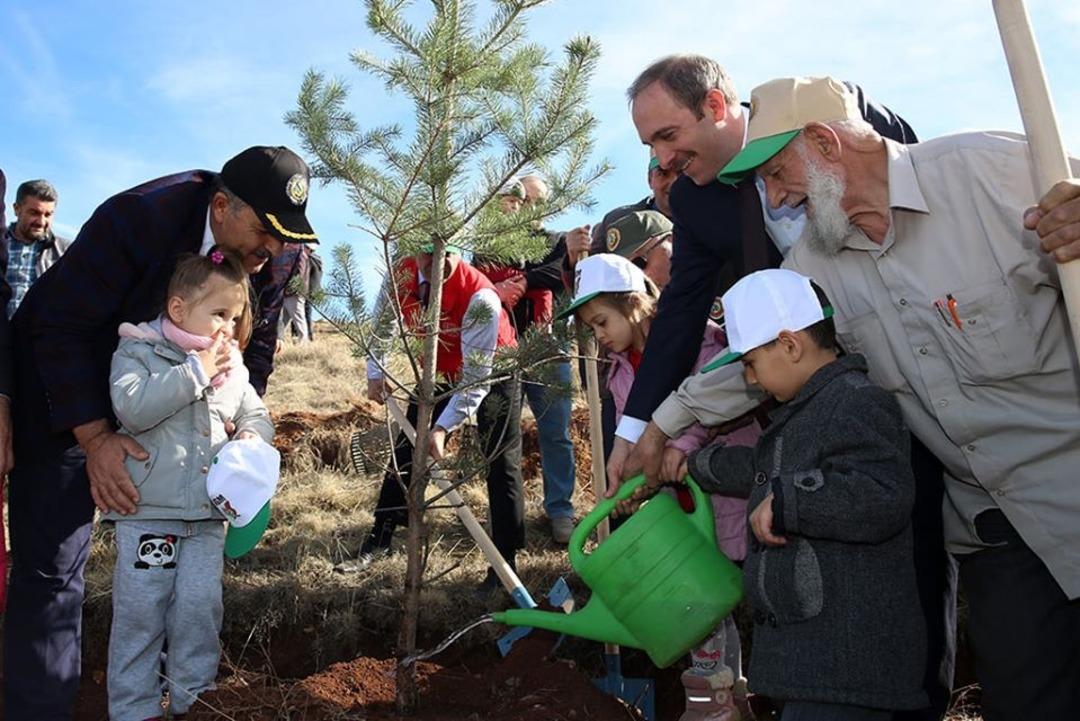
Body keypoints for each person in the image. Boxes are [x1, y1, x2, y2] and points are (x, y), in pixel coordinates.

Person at [643, 76, 1080, 721]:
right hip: (993, 530)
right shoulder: (818, 263)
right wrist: (666, 422)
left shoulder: (992, 171)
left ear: (825, 141)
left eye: (775, 172)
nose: (774, 195)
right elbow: (759, 357)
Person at [613, 56, 954, 721]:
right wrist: (637, 428)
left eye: (665, 134)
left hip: (918, 384)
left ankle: (921, 702)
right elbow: (682, 308)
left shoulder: (846, 123)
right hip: (809, 396)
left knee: (917, 552)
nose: (661, 157)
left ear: (717, 105)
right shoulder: (696, 198)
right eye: (649, 145)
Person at [5, 145, 318, 720]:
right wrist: (96, 439)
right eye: (264, 231)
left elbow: (260, 351)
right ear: (220, 207)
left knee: (191, 597)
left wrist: (238, 440)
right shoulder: (140, 216)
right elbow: (61, 326)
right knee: (53, 571)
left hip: (176, 431)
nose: (272, 250)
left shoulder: (274, 258)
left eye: (286, 236)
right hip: (64, 387)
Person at [640, 268, 926, 720]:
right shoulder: (805, 410)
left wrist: (794, 500)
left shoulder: (857, 401)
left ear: (790, 344)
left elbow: (882, 495)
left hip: (847, 666)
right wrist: (692, 465)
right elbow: (762, 469)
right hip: (816, 664)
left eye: (751, 363)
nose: (751, 381)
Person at [558, 254, 762, 721]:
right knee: (699, 601)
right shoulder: (620, 369)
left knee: (743, 596)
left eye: (602, 321)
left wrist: (677, 447)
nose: (599, 334)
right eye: (591, 327)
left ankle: (744, 695)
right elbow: (636, 435)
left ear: (635, 303)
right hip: (682, 504)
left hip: (729, 491)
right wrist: (629, 479)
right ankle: (720, 701)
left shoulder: (697, 341)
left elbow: (722, 398)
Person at [104, 250, 274, 720]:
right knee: (141, 615)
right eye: (218, 313)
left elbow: (255, 412)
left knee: (199, 612)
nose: (227, 327)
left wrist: (251, 433)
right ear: (178, 309)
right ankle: (133, 709)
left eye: (235, 317)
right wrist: (196, 371)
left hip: (205, 518)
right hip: (149, 515)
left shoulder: (233, 369)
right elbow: (133, 408)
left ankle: (194, 701)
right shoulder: (139, 350)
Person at [353, 246, 525, 588]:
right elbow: (383, 323)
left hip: (495, 370)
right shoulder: (400, 275)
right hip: (439, 369)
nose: (435, 263)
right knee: (406, 449)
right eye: (425, 254)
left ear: (458, 252)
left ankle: (504, 562)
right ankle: (380, 538)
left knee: (501, 462)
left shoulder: (480, 298)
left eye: (444, 253)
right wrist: (376, 371)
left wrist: (444, 427)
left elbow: (477, 378)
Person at [476, 175, 578, 544]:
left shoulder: (554, 240)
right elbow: (480, 280)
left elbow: (559, 273)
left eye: (534, 202)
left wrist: (521, 281)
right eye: (520, 199)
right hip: (503, 351)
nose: (526, 207)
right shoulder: (490, 243)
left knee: (556, 433)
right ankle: (507, 519)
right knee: (505, 438)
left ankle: (561, 511)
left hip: (547, 347)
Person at [5, 179, 71, 318]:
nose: (41, 222)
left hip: (42, 337)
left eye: (48, 215)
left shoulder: (66, 252)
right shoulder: (2, 243)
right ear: (17, 209)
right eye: (34, 213)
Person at [276, 242, 311, 343]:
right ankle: (278, 339)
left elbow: (299, 274)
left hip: (294, 293)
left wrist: (290, 288)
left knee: (298, 317)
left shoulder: (300, 255)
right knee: (284, 319)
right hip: (290, 292)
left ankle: (304, 342)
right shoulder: (299, 255)